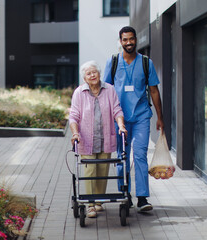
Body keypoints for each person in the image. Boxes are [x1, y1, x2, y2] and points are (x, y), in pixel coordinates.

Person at [103, 26, 164, 212]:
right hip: (119, 118)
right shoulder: (112, 62)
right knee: (122, 156)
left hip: (141, 116)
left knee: (139, 154)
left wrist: (160, 118)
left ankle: (143, 198)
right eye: (125, 40)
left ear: (136, 40)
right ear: (120, 41)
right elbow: (106, 90)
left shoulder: (146, 63)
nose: (128, 43)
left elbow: (153, 90)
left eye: (131, 39)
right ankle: (125, 194)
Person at [69, 60, 128, 218]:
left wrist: (121, 125)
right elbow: (73, 116)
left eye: (94, 72)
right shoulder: (79, 93)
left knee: (103, 170)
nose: (92, 75)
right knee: (90, 171)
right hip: (86, 140)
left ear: (99, 73)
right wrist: (75, 133)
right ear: (84, 78)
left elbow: (117, 109)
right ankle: (90, 205)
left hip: (105, 138)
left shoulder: (109, 89)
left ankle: (99, 201)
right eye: (88, 73)